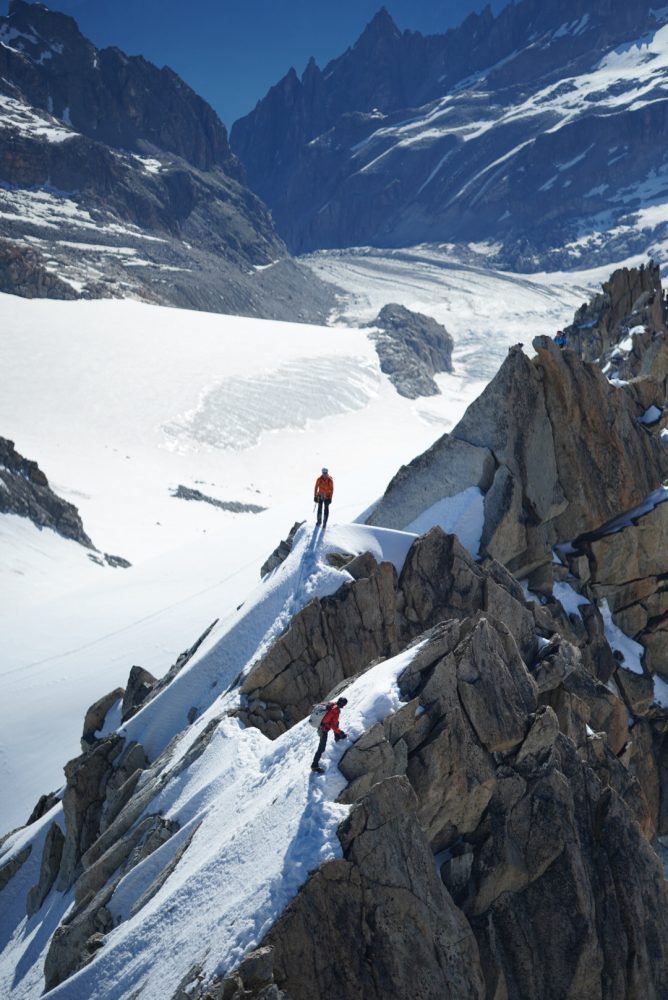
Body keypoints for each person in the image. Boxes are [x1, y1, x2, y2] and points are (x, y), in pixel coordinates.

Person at [311, 697, 348, 773]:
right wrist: (341, 732)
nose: (343, 706)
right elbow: (333, 725)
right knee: (321, 748)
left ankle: (337, 737)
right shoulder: (336, 710)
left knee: (337, 722)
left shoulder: (331, 704)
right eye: (343, 704)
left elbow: (332, 722)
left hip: (321, 726)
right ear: (341, 704)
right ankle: (314, 765)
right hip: (323, 729)